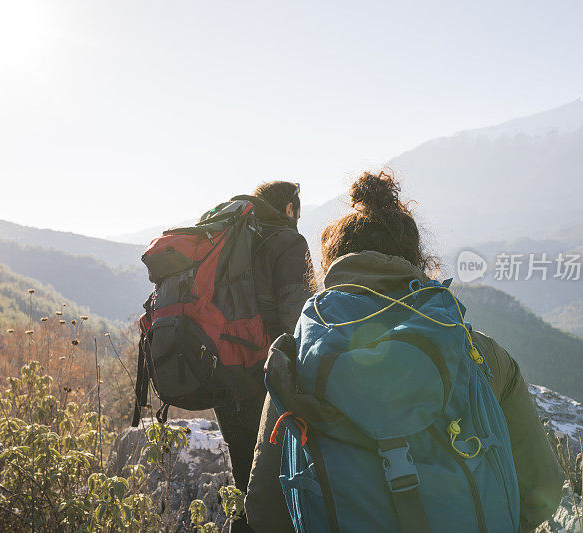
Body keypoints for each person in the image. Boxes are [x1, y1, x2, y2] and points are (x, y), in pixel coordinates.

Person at [245, 171, 564, 532]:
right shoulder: (480, 355)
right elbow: (543, 489)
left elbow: (264, 508)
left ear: (331, 267)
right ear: (417, 259)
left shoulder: (296, 362)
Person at [215, 181, 315, 532]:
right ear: (289, 208)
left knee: (243, 476)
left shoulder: (233, 240)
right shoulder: (289, 242)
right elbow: (300, 319)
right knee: (276, 484)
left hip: (223, 371)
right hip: (264, 377)